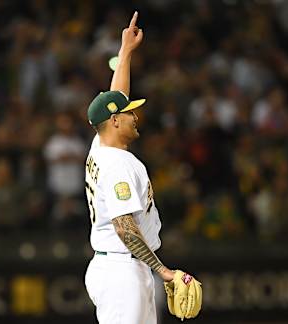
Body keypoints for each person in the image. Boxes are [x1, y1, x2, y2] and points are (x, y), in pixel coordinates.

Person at [84, 12, 197, 324]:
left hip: (121, 266)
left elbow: (117, 96)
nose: (135, 115)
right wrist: (165, 271)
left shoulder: (100, 144)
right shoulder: (118, 166)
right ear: (115, 122)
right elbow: (125, 228)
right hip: (122, 270)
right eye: (129, 113)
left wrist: (126, 53)